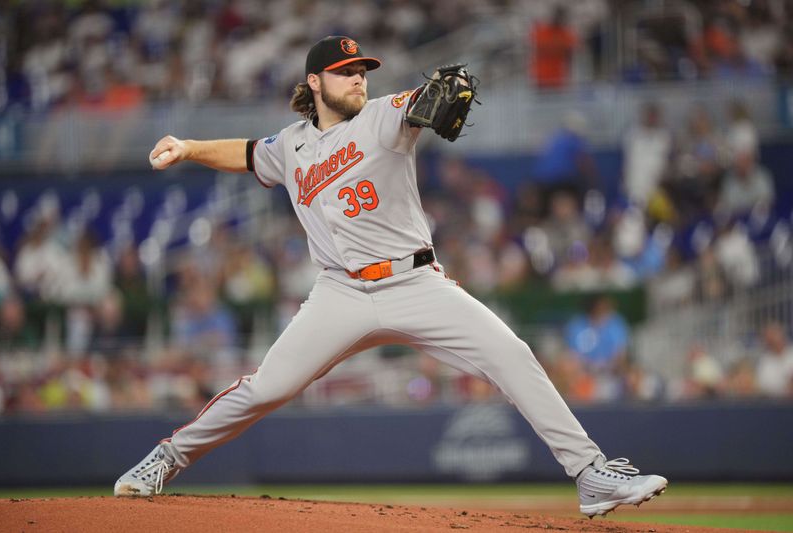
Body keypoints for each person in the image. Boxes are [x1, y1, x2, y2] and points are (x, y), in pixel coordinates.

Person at [114, 35, 667, 518]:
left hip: (415, 284)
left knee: (511, 353)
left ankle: (591, 473)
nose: (358, 78)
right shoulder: (292, 145)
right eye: (346, 72)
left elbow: (418, 105)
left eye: (362, 71)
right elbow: (248, 152)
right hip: (339, 293)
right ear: (315, 82)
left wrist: (442, 90)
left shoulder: (383, 115)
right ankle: (167, 457)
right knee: (267, 388)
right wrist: (188, 147)